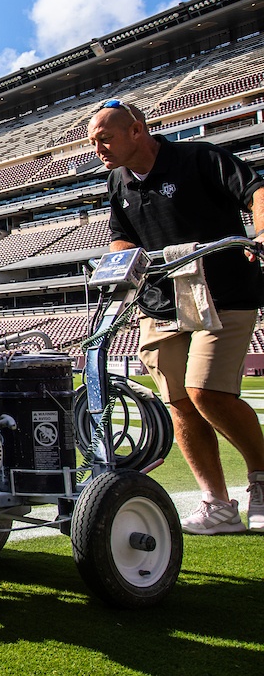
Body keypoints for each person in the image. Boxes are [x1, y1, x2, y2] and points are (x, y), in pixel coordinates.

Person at [91, 98, 264, 534]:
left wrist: (261, 232)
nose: (99, 149)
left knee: (206, 392)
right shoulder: (118, 182)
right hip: (159, 302)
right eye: (94, 142)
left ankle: (262, 479)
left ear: (137, 130)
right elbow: (120, 238)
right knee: (180, 403)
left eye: (105, 138)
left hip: (222, 292)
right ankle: (217, 504)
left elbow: (257, 193)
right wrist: (125, 261)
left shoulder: (200, 157)